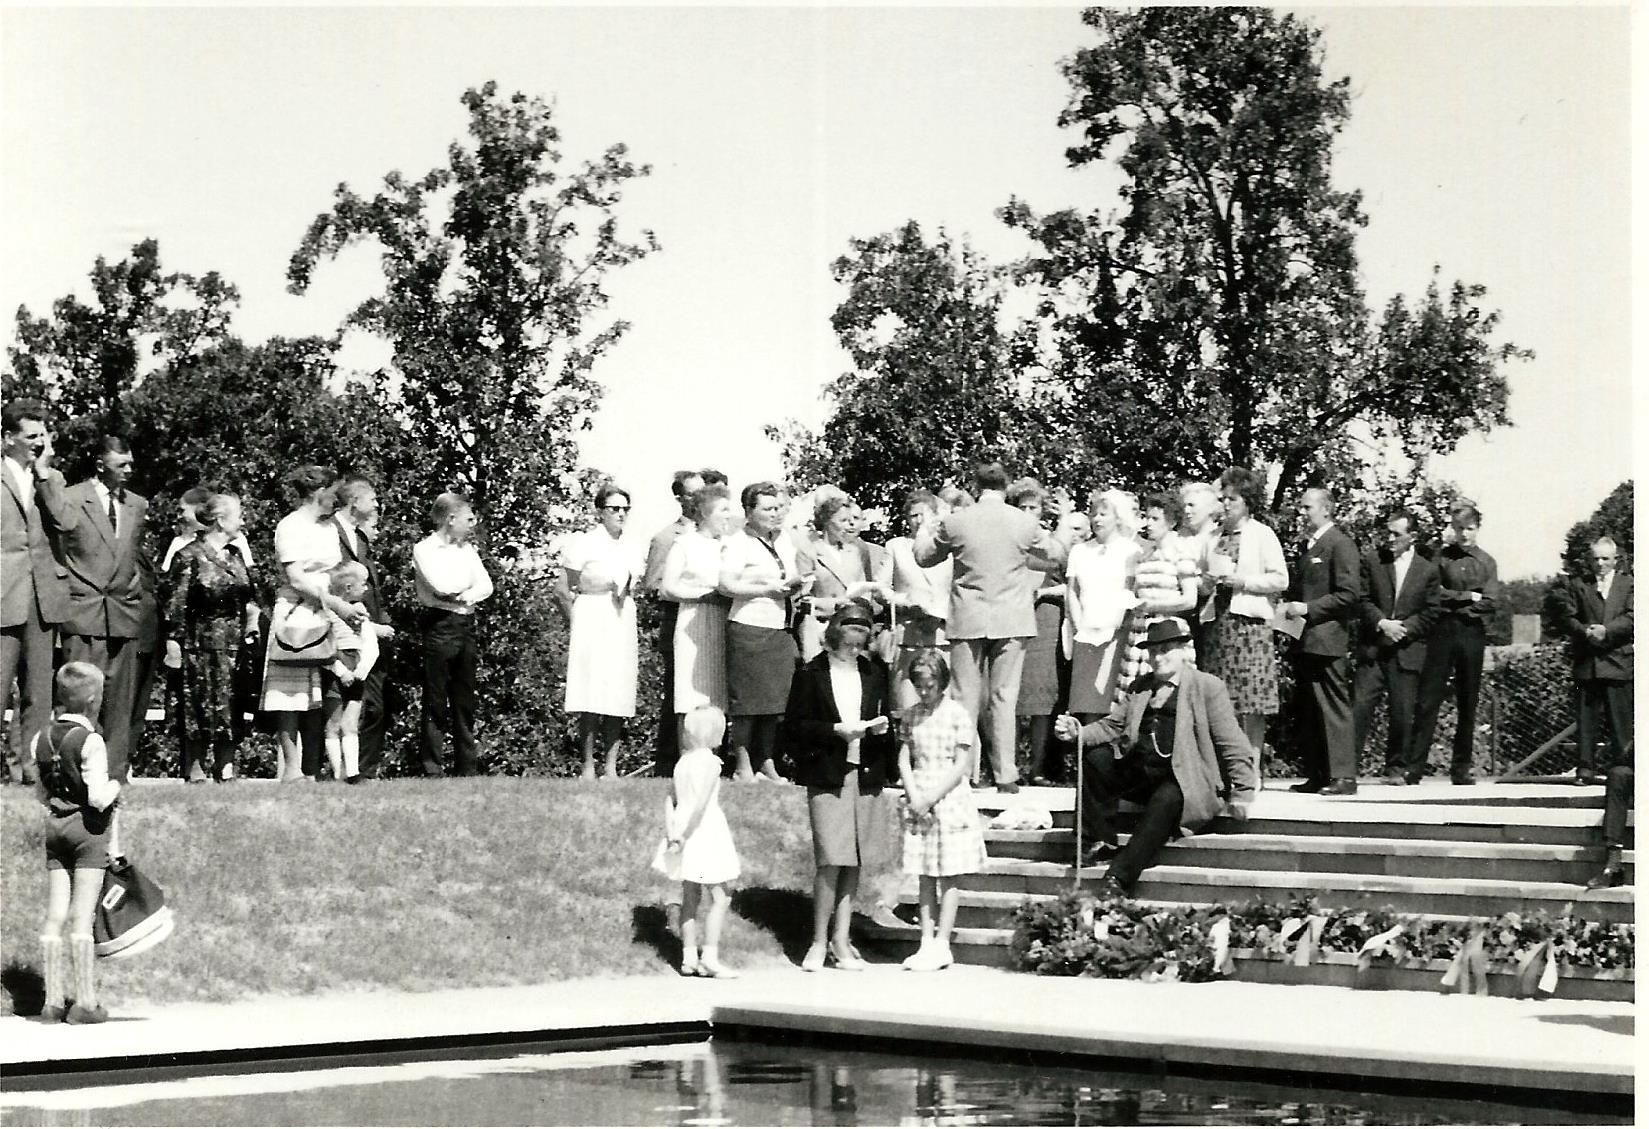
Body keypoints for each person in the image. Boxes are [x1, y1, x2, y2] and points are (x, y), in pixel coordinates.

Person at [1054, 617, 1256, 892]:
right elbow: (1111, 726)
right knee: (1096, 757)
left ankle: (1119, 878)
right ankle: (1094, 841)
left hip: (1186, 779)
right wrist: (1078, 733)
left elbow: (1232, 743)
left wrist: (1243, 793)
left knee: (1166, 798)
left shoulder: (1207, 687)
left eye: (1166, 650)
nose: (1158, 658)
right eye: (1153, 651)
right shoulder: (1141, 687)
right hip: (1141, 773)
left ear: (1183, 651)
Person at [916, 460, 1067, 794]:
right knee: (1004, 697)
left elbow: (923, 557)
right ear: (1006, 486)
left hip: (968, 618)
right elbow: (1057, 554)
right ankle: (1006, 774)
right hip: (1012, 618)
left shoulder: (956, 522)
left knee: (964, 697)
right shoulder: (1024, 522)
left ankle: (964, 774)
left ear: (975, 486)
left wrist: (927, 528)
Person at [783, 603, 897, 972]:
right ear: (834, 632)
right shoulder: (810, 673)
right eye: (849, 630)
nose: (856, 638)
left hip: (866, 771)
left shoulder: (875, 671)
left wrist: (880, 731)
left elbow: (888, 715)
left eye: (863, 631)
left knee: (854, 860)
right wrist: (834, 730)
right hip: (827, 771)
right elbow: (795, 728)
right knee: (831, 858)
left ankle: (841, 940)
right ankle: (817, 941)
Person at [59, 436, 154, 783]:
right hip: (84, 612)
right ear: (100, 465)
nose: (129, 470)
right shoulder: (71, 498)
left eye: (131, 463)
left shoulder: (137, 504)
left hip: (123, 613)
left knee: (119, 702)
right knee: (81, 697)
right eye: (121, 464)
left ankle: (115, 773)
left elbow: (132, 557)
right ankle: (72, 771)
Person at [32, 661, 120, 1024]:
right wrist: (116, 787)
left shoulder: (41, 738)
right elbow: (99, 797)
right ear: (93, 700)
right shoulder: (92, 741)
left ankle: (52, 1002)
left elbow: (40, 792)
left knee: (55, 915)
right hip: (88, 831)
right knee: (82, 917)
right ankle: (85, 1003)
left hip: (55, 828)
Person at [263, 466, 362, 782]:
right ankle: (291, 768)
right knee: (289, 695)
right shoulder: (290, 526)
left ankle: (316, 768)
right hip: (296, 613)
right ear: (319, 493)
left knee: (323, 692)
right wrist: (335, 604)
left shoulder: (328, 528)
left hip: (329, 612)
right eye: (333, 493)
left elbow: (335, 572)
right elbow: (296, 578)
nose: (337, 499)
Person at [1, 399, 78, 785]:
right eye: (31, 436)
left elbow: (65, 522)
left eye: (43, 435)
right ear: (7, 438)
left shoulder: (52, 478)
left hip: (42, 596)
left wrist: (46, 476)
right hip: (3, 595)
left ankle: (31, 771)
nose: (38, 442)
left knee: (39, 694)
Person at [897, 650, 987, 971]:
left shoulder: (958, 714)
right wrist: (914, 794)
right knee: (924, 874)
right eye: (919, 684)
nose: (924, 691)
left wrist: (931, 796)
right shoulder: (911, 715)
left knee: (948, 874)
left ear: (943, 682)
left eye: (930, 685)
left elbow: (961, 765)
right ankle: (924, 941)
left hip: (947, 798)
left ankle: (942, 943)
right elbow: (904, 759)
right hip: (919, 795)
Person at [162, 492, 258, 783]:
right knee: (198, 704)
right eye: (238, 515)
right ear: (219, 519)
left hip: (233, 641)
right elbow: (173, 604)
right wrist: (173, 643)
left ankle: (226, 766)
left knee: (233, 704)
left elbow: (253, 592)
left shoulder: (236, 555)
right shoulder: (189, 554)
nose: (243, 521)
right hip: (199, 641)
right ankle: (195, 768)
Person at [719, 482, 806, 783]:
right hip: (748, 625)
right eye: (767, 509)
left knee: (774, 702)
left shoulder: (785, 540)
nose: (775, 514)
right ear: (748, 511)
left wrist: (798, 584)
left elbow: (789, 574)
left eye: (778, 508)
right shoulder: (737, 543)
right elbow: (726, 585)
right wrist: (764, 589)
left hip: (779, 627)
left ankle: (766, 761)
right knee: (747, 703)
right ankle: (743, 765)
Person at [1407, 503, 1500, 785]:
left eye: (1469, 529)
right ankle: (1414, 767)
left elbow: (1490, 602)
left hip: (1472, 633)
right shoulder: (1441, 558)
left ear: (1477, 529)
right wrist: (1466, 596)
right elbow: (1433, 593)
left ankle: (1461, 769)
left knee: (1468, 700)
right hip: (1442, 631)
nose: (1463, 535)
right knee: (1428, 698)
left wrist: (1463, 601)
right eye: (1458, 528)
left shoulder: (1487, 562)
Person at [1279, 488, 1363, 794]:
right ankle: (1319, 773)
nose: (1302, 513)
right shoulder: (1309, 546)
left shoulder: (1340, 544)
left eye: (1307, 507)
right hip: (1307, 640)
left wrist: (1308, 609)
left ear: (1326, 509)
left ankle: (1344, 776)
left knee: (1333, 706)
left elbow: (1349, 595)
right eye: (1300, 507)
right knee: (1311, 708)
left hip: (1328, 640)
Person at [1201, 468, 1287, 766]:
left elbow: (1280, 579)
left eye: (1232, 499)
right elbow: (1201, 582)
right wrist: (1208, 582)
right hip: (1219, 626)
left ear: (1247, 501)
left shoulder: (1262, 534)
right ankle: (1227, 769)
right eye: (1223, 499)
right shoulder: (1212, 537)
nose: (1226, 505)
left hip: (1249, 625)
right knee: (1221, 700)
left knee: (1253, 701)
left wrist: (1244, 582)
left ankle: (1251, 768)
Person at [558, 483, 641, 781]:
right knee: (590, 694)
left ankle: (611, 767)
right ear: (599, 511)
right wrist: (577, 623)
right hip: (591, 616)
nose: (620, 514)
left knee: (617, 692)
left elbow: (631, 583)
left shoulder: (632, 545)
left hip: (621, 617)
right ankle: (588, 767)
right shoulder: (584, 543)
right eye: (614, 509)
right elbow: (563, 590)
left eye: (624, 509)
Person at [1353, 510, 1440, 786]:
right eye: (1387, 533)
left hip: (1407, 650)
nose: (1389, 539)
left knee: (1402, 713)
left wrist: (1404, 629)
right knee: (1359, 706)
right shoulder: (1372, 561)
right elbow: (1361, 599)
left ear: (1412, 537)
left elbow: (1431, 611)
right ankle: (1345, 770)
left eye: (1397, 535)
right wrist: (1382, 623)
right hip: (1374, 649)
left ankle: (1395, 769)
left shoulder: (1427, 570)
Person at [413, 492, 494, 776]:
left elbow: (486, 586)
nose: (473, 523)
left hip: (465, 625)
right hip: (440, 624)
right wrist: (463, 592)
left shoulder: (467, 550)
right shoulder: (425, 550)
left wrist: (463, 595)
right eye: (468, 518)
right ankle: (432, 767)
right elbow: (440, 586)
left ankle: (466, 767)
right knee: (436, 699)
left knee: (464, 699)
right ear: (451, 519)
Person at [659, 705, 742, 978]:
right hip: (704, 832)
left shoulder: (682, 763)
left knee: (690, 896)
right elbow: (701, 804)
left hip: (682, 830)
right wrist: (685, 834)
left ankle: (688, 957)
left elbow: (670, 800)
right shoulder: (711, 763)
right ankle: (710, 956)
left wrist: (673, 832)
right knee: (721, 896)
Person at [1551, 536, 1633, 786]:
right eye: (1595, 558)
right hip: (1587, 663)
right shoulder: (1579, 585)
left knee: (1621, 723)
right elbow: (1568, 616)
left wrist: (1607, 631)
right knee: (1586, 721)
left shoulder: (1630, 584)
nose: (1599, 563)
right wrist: (1586, 631)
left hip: (1618, 663)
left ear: (1616, 560)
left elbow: (1633, 616)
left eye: (1605, 558)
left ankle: (1624, 770)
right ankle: (1585, 769)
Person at [331, 475, 394, 779]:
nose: (377, 504)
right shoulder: (333, 534)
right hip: (346, 634)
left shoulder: (361, 538)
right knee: (347, 706)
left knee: (372, 704)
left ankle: (361, 771)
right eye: (372, 498)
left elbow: (368, 590)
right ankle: (348, 772)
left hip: (368, 634)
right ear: (354, 502)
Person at [1065, 489, 1145, 723]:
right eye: (1094, 514)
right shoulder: (1080, 551)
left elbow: (1129, 590)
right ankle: (1087, 752)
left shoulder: (1130, 550)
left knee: (1112, 698)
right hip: (1086, 634)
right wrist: (1080, 627)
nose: (1097, 519)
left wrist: (1115, 626)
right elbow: (1072, 590)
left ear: (1118, 516)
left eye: (1104, 514)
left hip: (1117, 633)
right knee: (1087, 700)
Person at [885, 490, 953, 709]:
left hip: (943, 639)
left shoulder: (950, 548)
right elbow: (880, 589)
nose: (919, 521)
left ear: (935, 515)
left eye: (924, 514)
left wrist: (941, 613)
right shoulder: (896, 546)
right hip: (908, 638)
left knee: (944, 711)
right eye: (913, 516)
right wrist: (905, 602)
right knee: (907, 711)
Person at [799, 489, 883, 662]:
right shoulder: (809, 551)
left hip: (852, 624)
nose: (848, 525)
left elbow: (864, 586)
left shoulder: (856, 551)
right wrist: (834, 604)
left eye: (851, 520)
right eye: (843, 520)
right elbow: (801, 600)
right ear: (827, 521)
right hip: (820, 627)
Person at [321, 562, 382, 785]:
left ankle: (353, 773)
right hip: (335, 666)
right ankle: (338, 773)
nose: (366, 589)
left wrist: (361, 670)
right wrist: (340, 670)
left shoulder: (359, 614)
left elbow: (369, 643)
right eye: (362, 584)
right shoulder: (328, 613)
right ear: (348, 587)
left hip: (356, 667)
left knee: (351, 722)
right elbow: (324, 645)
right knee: (333, 723)